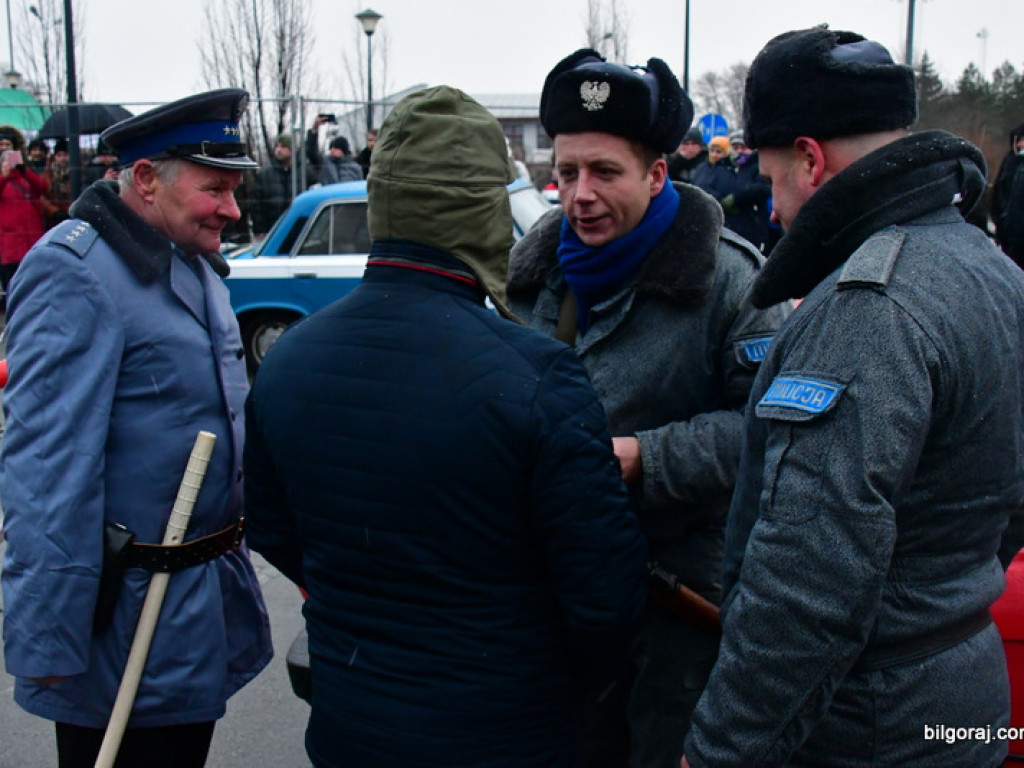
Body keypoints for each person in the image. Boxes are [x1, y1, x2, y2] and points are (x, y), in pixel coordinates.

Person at [244, 85, 649, 768]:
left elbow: (272, 526)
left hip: (351, 724)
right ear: (481, 210)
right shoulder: (536, 376)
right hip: (506, 732)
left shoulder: (289, 361)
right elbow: (604, 599)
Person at [682, 27, 1024, 768]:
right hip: (967, 685)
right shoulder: (993, 271)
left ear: (810, 159)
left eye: (771, 178)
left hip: (870, 721)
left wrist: (720, 751)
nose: (771, 209)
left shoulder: (868, 308)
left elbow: (807, 580)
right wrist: (938, 589)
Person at [506, 48, 789, 768]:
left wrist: (645, 458)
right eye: (567, 173)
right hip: (556, 596)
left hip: (679, 608)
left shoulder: (732, 282)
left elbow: (767, 431)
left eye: (604, 172)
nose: (579, 196)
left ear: (657, 174)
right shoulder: (530, 279)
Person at [0, 88, 273, 768]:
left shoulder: (190, 257)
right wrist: (49, 643)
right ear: (146, 180)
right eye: (215, 188)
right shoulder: (77, 272)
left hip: (193, 612)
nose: (233, 210)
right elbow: (45, 471)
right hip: (121, 622)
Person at [0, 125, 49, 302]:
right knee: (12, 292)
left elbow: (43, 188)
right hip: (9, 246)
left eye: (7, 145)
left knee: (35, 290)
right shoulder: (3, 180)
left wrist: (23, 170)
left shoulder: (25, 175)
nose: (4, 149)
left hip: (31, 242)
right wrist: (4, 176)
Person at [250, 132, 305, 236]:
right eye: (277, 146)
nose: (278, 150)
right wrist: (259, 230)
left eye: (283, 146)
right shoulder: (265, 175)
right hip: (273, 234)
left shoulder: (303, 173)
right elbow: (256, 205)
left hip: (299, 232)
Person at [992, 121, 1024, 268]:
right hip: (1009, 239)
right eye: (1018, 140)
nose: (1020, 144)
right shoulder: (1009, 163)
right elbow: (998, 196)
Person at [42, 138, 73, 229]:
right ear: (54, 157)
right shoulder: (47, 175)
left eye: (65, 155)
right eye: (59, 155)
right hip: (54, 220)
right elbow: (42, 198)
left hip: (73, 217)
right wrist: (54, 212)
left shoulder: (78, 173)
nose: (62, 158)